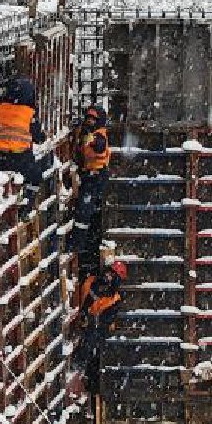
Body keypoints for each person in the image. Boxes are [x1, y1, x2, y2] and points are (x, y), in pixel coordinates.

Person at [73, 243, 128, 393]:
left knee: (91, 342)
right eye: (108, 273)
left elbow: (104, 323)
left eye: (112, 275)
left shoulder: (114, 300)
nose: (108, 276)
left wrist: (89, 320)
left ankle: (79, 364)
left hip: (91, 328)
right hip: (77, 315)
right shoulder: (91, 280)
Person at [0, 78, 48, 207]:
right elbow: (37, 138)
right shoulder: (29, 114)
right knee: (36, 176)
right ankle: (27, 204)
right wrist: (43, 136)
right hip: (19, 158)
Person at [70, 104, 112, 256]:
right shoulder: (88, 132)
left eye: (93, 119)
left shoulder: (99, 135)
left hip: (96, 176)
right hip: (89, 175)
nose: (89, 121)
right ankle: (82, 242)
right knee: (86, 208)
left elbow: (99, 146)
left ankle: (78, 244)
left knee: (84, 210)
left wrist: (90, 138)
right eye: (88, 118)